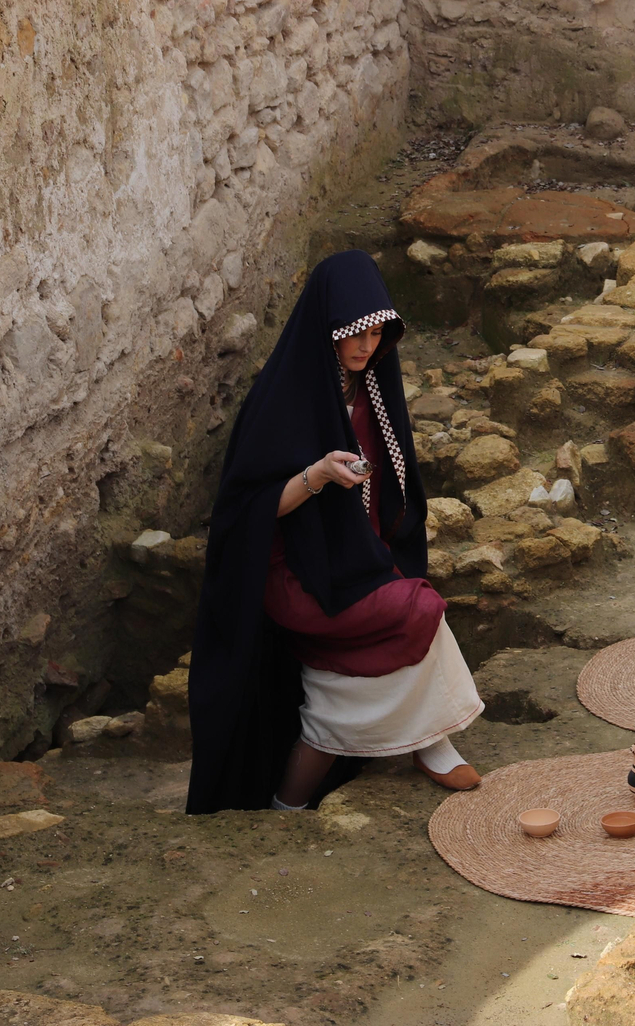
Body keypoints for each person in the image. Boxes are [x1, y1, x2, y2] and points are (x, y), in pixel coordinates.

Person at [186, 250, 483, 815]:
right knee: (419, 609)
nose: (366, 346)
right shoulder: (282, 398)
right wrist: (317, 474)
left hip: (355, 559)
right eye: (354, 333)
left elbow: (396, 482)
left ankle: (394, 755)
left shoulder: (371, 390)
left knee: (356, 670)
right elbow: (247, 510)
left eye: (376, 333)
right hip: (296, 572)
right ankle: (428, 743)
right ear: (327, 326)